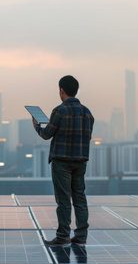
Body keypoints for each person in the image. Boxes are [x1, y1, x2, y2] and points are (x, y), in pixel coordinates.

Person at [33, 75, 94, 246]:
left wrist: (37, 126)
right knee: (80, 198)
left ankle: (63, 236)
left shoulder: (59, 111)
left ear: (61, 90)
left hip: (62, 162)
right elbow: (87, 137)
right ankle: (81, 236)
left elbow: (47, 134)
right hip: (81, 161)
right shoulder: (87, 113)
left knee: (64, 199)